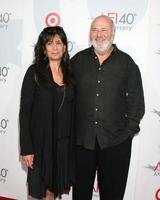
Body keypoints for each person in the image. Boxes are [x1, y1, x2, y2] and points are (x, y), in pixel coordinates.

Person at [71, 15, 145, 200]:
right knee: (80, 194)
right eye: (95, 30)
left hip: (115, 143)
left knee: (113, 194)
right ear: (90, 33)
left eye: (104, 30)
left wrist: (127, 133)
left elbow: (137, 102)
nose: (99, 34)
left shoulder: (127, 64)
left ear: (113, 33)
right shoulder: (77, 61)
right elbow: (66, 98)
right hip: (82, 142)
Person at [19, 26, 75, 200]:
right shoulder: (34, 72)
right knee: (37, 193)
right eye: (49, 43)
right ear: (43, 48)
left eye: (59, 43)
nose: (55, 47)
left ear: (65, 47)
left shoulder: (70, 73)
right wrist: (26, 148)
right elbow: (25, 113)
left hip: (62, 144)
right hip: (40, 144)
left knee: (52, 192)